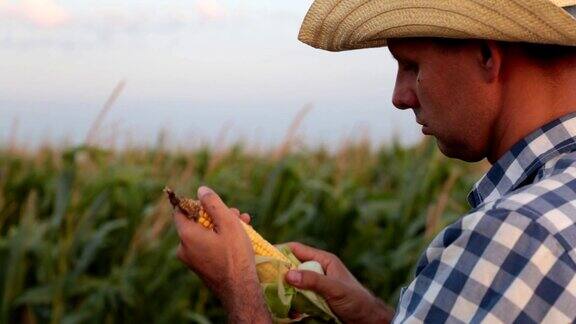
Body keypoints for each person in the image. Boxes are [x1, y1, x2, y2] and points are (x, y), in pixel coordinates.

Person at [173, 0, 576, 322]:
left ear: (487, 55)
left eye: (412, 66)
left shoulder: (520, 236)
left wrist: (239, 284)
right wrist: (377, 316)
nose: (399, 97)